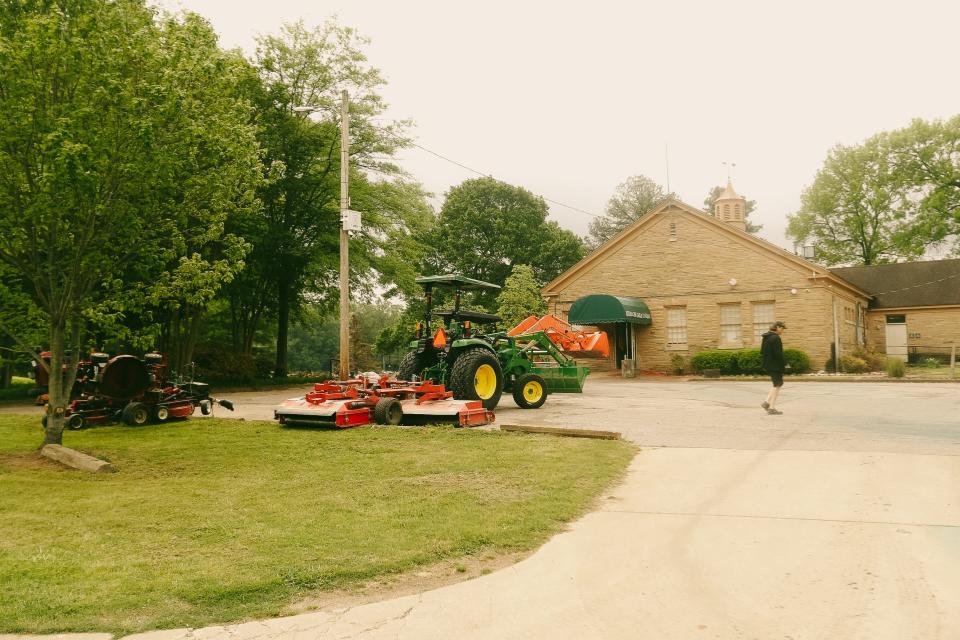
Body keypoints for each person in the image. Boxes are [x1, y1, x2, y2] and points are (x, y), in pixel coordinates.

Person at [760, 321, 787, 415]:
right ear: (778, 327)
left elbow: (762, 352)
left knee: (778, 384)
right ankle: (771, 408)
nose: (783, 330)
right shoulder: (776, 338)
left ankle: (766, 402)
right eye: (782, 328)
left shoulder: (766, 337)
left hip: (768, 365)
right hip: (775, 365)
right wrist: (785, 364)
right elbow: (778, 354)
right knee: (777, 384)